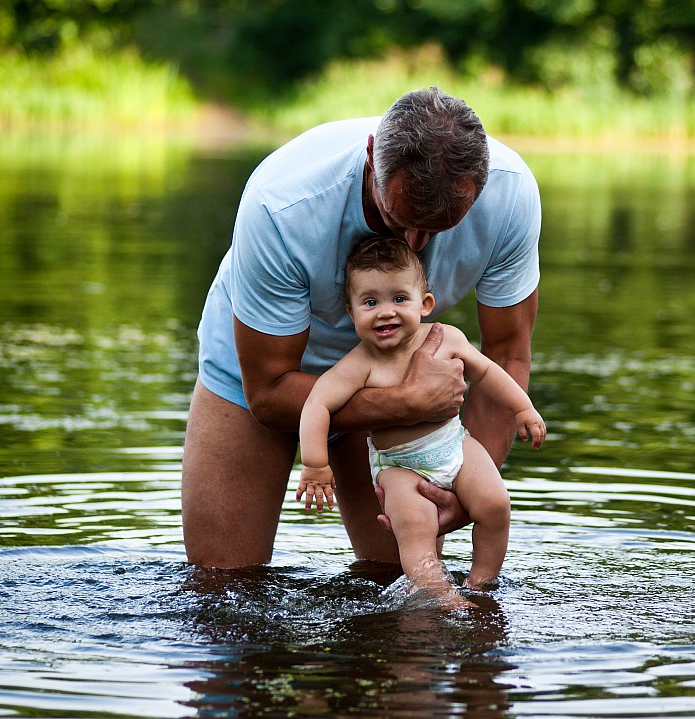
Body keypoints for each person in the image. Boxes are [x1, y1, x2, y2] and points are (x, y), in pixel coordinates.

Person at [181, 86, 542, 569]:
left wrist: (459, 487)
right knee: (224, 589)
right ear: (372, 157)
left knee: (402, 580)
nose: (416, 244)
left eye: (443, 226)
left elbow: (506, 353)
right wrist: (407, 401)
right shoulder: (282, 204)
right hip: (260, 377)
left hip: (396, 368)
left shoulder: (511, 194)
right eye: (398, 220)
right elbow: (268, 390)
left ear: (479, 187)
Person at [296, 237, 545, 601]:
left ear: (425, 304)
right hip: (399, 466)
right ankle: (436, 591)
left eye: (399, 298)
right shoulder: (360, 363)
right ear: (351, 313)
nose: (385, 311)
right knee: (415, 528)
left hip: (454, 445)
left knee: (495, 504)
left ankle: (481, 583)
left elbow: (489, 373)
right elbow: (316, 404)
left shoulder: (447, 339)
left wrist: (523, 408)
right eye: (370, 302)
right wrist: (315, 464)